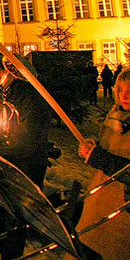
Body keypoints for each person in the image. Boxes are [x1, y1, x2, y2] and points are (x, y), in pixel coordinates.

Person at [0, 55, 50, 259]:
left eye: (0, 73)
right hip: (6, 161)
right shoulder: (4, 95)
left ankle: (12, 252)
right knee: (4, 210)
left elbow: (27, 138)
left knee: (18, 215)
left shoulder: (30, 96)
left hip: (26, 165)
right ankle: (2, 246)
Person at [74, 68, 130, 259]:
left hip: (121, 214)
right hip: (96, 206)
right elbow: (108, 151)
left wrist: (97, 156)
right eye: (121, 90)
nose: (125, 95)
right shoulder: (115, 117)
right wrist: (92, 148)